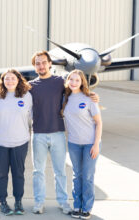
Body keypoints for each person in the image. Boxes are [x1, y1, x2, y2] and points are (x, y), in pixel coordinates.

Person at [29, 51, 99, 215]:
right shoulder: (30, 86)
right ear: (34, 66)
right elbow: (12, 91)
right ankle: (39, 202)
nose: (41, 65)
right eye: (38, 63)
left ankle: (63, 202)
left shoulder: (60, 82)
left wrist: (92, 95)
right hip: (38, 134)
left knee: (60, 171)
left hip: (58, 134)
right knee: (38, 171)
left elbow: (78, 89)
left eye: (44, 62)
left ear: (50, 64)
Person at [0, 69, 32, 216]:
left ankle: (18, 202)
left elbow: (31, 114)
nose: (10, 81)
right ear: (2, 81)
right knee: (1, 174)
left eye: (13, 78)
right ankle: (2, 202)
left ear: (18, 80)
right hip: (0, 142)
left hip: (20, 141)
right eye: (7, 79)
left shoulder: (26, 96)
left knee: (18, 173)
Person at [62, 70, 102, 220]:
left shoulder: (89, 99)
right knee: (77, 175)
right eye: (71, 79)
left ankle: (86, 208)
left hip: (90, 144)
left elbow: (98, 122)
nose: (73, 82)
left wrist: (96, 144)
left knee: (88, 176)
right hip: (73, 144)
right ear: (67, 81)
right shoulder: (65, 98)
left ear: (82, 82)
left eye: (77, 80)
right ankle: (77, 205)